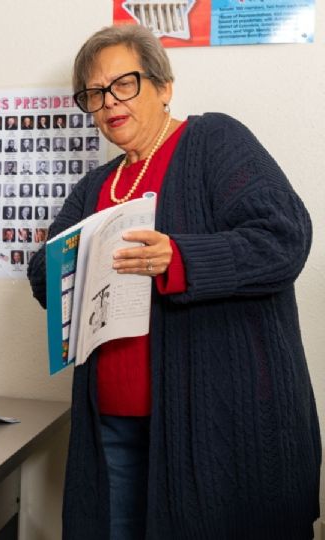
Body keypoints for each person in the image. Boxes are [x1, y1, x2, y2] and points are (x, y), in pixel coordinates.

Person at [27, 25, 319, 539]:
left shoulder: (213, 140)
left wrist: (179, 256)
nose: (108, 103)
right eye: (94, 94)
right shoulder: (96, 185)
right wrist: (71, 270)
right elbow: (43, 273)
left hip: (214, 427)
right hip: (111, 426)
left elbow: (284, 238)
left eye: (124, 84)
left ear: (164, 86)